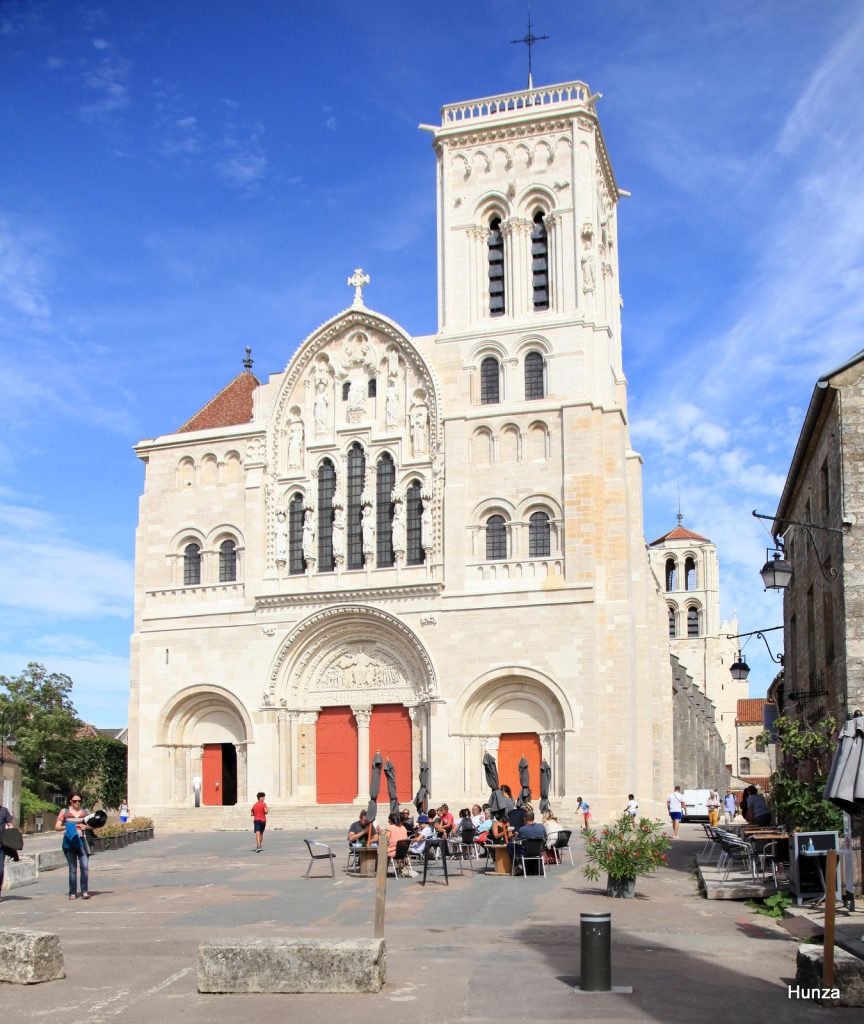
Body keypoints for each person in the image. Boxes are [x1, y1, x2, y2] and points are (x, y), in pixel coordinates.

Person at [55, 792, 91, 900]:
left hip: (82, 842)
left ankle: (84, 891)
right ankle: (72, 892)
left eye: (79, 801)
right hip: (70, 842)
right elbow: (57, 827)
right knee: (73, 869)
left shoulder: (85, 812)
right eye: (75, 801)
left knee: (84, 867)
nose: (77, 803)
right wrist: (69, 826)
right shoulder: (64, 812)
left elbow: (92, 826)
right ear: (70, 801)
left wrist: (86, 827)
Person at [0, 802, 13, 901]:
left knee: (0, 870)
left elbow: (10, 824)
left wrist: (13, 836)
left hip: (1, 845)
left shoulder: (4, 811)